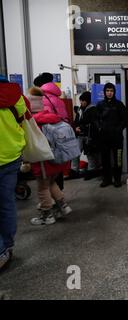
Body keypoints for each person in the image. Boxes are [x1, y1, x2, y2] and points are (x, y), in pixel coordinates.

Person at [0, 74, 28, 270]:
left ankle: (2, 250)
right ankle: (7, 246)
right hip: (11, 154)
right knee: (7, 203)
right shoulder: (15, 95)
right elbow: (23, 115)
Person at [29, 110, 72, 226]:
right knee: (52, 183)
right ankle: (63, 206)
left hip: (44, 162)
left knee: (43, 188)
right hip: (57, 161)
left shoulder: (35, 124)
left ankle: (47, 215)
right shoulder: (53, 120)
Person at [33, 72, 68, 190]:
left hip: (49, 136)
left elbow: (45, 118)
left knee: (49, 167)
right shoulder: (57, 98)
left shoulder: (43, 99)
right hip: (61, 134)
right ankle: (60, 194)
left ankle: (53, 197)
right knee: (58, 164)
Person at [96, 83, 126, 188]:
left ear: (114, 92)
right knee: (105, 159)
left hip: (117, 138)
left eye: (111, 91)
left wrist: (118, 130)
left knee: (118, 159)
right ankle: (107, 179)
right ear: (104, 92)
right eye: (107, 91)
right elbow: (96, 119)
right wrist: (100, 128)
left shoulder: (119, 104)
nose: (109, 93)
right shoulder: (100, 105)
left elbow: (124, 120)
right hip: (104, 138)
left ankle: (117, 179)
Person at [70, 91, 100, 180]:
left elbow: (92, 123)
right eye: (81, 101)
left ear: (87, 101)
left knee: (90, 154)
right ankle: (74, 170)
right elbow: (76, 121)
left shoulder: (93, 109)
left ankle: (91, 170)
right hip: (79, 135)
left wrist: (81, 128)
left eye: (83, 101)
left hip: (88, 135)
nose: (81, 102)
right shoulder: (79, 110)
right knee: (76, 153)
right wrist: (75, 128)